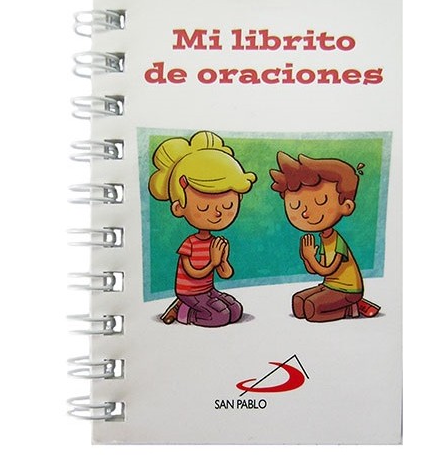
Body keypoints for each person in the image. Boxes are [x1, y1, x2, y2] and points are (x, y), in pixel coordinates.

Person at [147, 131, 256, 326]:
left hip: (207, 291)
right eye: (204, 207)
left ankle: (185, 307)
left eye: (228, 205)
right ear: (179, 207)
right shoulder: (190, 243)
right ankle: (183, 311)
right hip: (189, 292)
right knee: (219, 316)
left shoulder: (216, 243)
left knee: (235, 310)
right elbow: (192, 273)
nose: (218, 213)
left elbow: (225, 273)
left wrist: (222, 261)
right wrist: (213, 262)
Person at [270, 151, 379, 322]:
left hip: (348, 290)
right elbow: (315, 270)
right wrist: (307, 257)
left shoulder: (337, 241)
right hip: (329, 286)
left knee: (312, 310)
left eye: (320, 201)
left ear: (346, 206)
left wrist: (310, 257)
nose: (305, 213)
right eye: (296, 205)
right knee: (298, 303)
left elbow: (327, 270)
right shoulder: (324, 238)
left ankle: (350, 308)